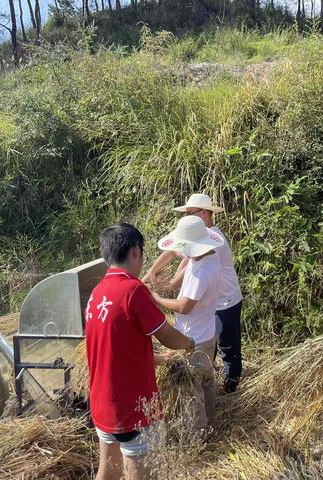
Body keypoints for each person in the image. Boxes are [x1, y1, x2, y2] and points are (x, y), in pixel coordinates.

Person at [86, 223, 195, 480]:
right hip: (134, 408)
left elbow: (114, 350)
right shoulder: (133, 290)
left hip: (103, 404)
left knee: (109, 470)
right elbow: (167, 336)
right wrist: (189, 344)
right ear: (136, 251)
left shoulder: (97, 293)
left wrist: (159, 360)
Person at [144, 193, 243, 393]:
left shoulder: (213, 242)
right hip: (208, 301)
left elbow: (188, 265)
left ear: (204, 213)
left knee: (227, 347)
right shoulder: (199, 237)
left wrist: (169, 287)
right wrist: (151, 272)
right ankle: (210, 381)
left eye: (190, 212)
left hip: (226, 301)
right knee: (209, 344)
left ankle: (231, 387)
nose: (186, 217)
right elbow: (174, 251)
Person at [152, 215, 224, 431]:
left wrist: (156, 298)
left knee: (193, 389)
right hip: (206, 333)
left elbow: (184, 306)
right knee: (206, 380)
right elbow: (175, 252)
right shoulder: (208, 256)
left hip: (194, 340)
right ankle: (213, 419)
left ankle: (199, 433)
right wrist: (152, 272)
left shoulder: (202, 272)